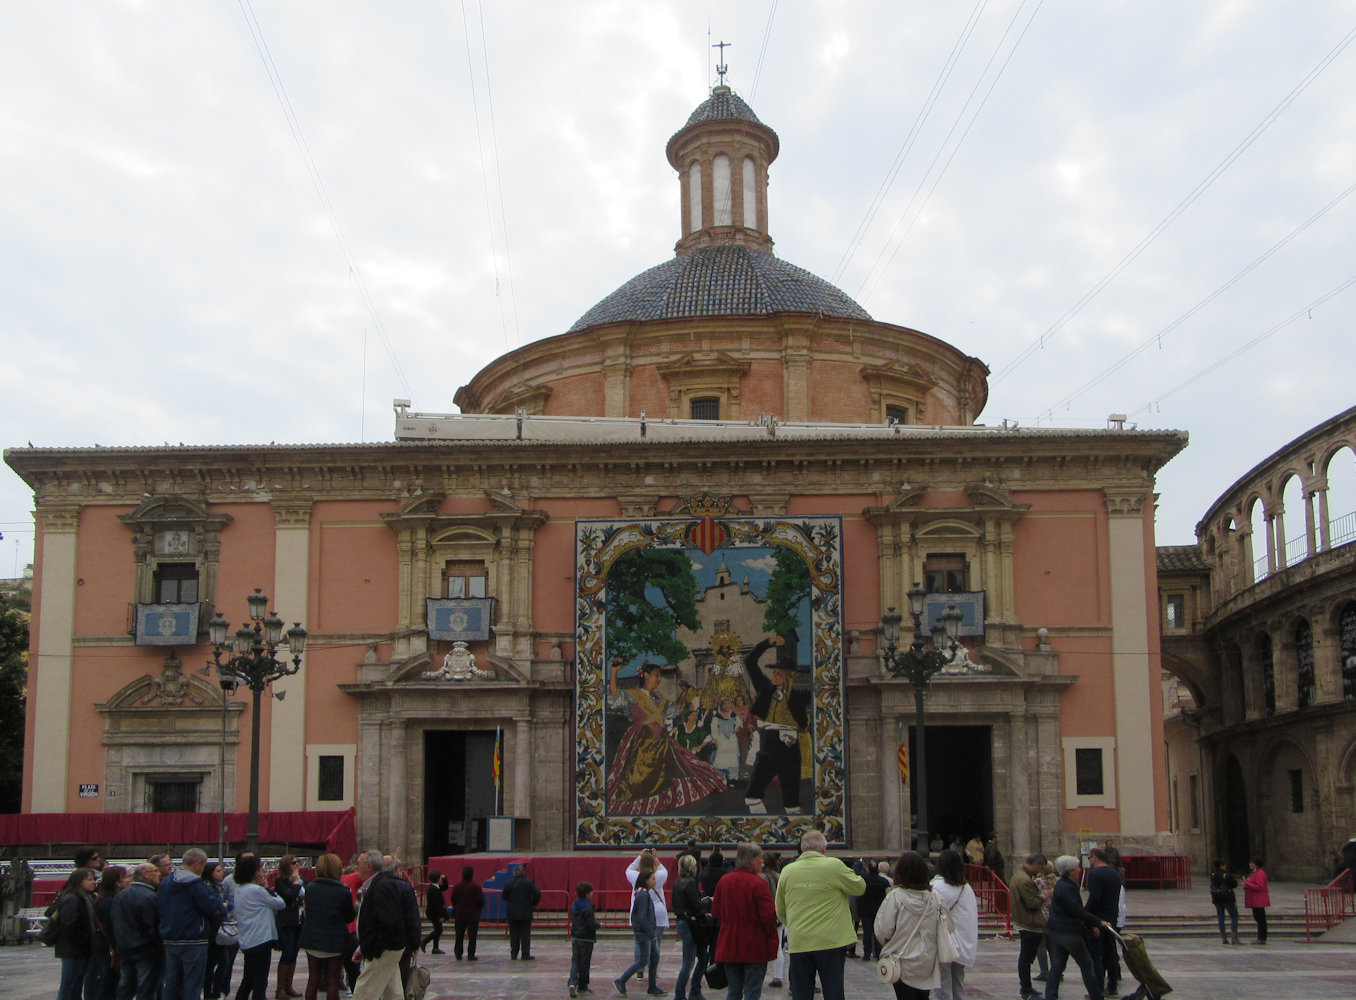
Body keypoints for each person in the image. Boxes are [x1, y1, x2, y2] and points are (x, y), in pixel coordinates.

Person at [606, 658, 726, 814]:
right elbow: (614, 698)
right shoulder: (633, 695)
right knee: (637, 780)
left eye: (660, 676)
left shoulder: (659, 698)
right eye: (657, 675)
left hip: (661, 742)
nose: (659, 679)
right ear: (646, 676)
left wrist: (684, 692)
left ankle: (655, 807)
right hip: (641, 742)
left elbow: (675, 709)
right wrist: (614, 672)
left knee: (670, 774)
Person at [774, 829, 864, 1000]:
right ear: (823, 849)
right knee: (833, 991)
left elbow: (780, 908)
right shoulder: (833, 866)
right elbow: (859, 887)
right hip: (831, 940)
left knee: (801, 993)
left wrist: (794, 925)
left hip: (800, 940)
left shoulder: (788, 871)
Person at [742, 635, 811, 814]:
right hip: (769, 746)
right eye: (774, 672)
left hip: (791, 748)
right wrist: (768, 642)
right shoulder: (765, 689)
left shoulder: (799, 697)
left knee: (792, 803)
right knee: (752, 795)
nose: (774, 675)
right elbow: (749, 661)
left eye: (779, 673)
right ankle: (760, 826)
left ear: (790, 676)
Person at [710, 843, 777, 1000]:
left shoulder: (724, 881)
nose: (762, 862)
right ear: (751, 860)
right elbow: (768, 917)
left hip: (729, 945)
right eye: (760, 859)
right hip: (754, 946)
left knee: (733, 991)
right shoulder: (759, 884)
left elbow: (716, 912)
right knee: (752, 992)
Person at [874, 851, 944, 1000]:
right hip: (927, 959)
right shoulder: (935, 897)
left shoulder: (896, 897)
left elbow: (883, 929)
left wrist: (889, 944)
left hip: (902, 960)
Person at [159, 847, 226, 1000]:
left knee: (171, 984)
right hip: (194, 938)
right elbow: (212, 907)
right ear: (197, 864)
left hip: (170, 938)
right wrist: (222, 906)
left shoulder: (166, 882)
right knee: (192, 985)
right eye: (203, 866)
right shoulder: (195, 883)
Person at [352, 850, 420, 1000]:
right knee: (392, 992)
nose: (356, 867)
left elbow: (390, 922)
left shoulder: (381, 886)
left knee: (364, 992)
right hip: (388, 947)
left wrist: (373, 947)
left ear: (368, 866)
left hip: (384, 949)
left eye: (358, 864)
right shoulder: (377, 884)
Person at [1042, 855, 1110, 1000]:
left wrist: (1090, 924)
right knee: (1087, 965)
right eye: (1077, 867)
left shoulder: (1063, 885)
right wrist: (1098, 922)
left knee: (1057, 966)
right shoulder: (1066, 887)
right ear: (1070, 870)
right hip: (1068, 932)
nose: (1080, 870)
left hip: (1056, 929)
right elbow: (1077, 910)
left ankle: (1050, 996)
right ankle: (1096, 996)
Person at [298, 853, 356, 1000]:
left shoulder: (310, 888)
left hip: (312, 938)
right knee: (332, 980)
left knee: (313, 979)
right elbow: (349, 917)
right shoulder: (343, 891)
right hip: (334, 940)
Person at [229, 855, 285, 1000]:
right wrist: (266, 885)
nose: (263, 870)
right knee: (260, 981)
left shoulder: (240, 889)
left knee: (248, 979)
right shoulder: (256, 890)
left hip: (248, 939)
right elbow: (280, 903)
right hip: (261, 939)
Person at [930, 849, 978, 1000]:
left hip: (945, 942)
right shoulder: (966, 888)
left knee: (942, 984)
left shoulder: (937, 886)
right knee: (958, 983)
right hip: (962, 944)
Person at [112, 862, 163, 1000]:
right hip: (145, 950)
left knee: (126, 986)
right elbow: (153, 926)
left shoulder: (120, 896)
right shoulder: (149, 896)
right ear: (145, 874)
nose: (159, 873)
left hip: (125, 948)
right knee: (146, 987)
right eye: (156, 871)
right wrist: (159, 947)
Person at [625, 850, 671, 993]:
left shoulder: (635, 876)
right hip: (658, 914)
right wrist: (654, 858)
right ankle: (653, 970)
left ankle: (639, 971)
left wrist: (640, 855)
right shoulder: (659, 876)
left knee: (638, 944)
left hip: (640, 916)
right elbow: (664, 869)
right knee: (656, 943)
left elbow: (629, 869)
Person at [52, 867, 98, 1000]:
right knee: (69, 984)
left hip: (80, 948)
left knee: (76, 983)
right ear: (79, 881)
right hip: (72, 949)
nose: (93, 882)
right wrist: (84, 939)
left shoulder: (86, 897)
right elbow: (69, 924)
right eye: (89, 879)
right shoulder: (72, 898)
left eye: (93, 879)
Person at [615, 867, 662, 997]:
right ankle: (621, 980)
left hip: (647, 931)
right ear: (646, 881)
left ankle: (652, 986)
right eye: (653, 879)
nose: (655, 881)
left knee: (654, 957)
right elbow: (642, 917)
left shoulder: (643, 894)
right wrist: (651, 934)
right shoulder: (642, 895)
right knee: (643, 960)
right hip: (644, 933)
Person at [1009, 853, 1050, 1000]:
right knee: (1026, 959)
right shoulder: (1025, 880)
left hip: (1024, 921)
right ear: (1036, 864)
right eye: (1041, 867)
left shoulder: (1018, 876)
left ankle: (1027, 987)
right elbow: (1032, 903)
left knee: (1026, 958)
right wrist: (1044, 896)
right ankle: (1025, 989)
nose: (1040, 871)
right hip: (1029, 923)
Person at [1084, 848, 1123, 996]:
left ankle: (1098, 989)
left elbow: (1095, 898)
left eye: (1090, 858)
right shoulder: (1115, 873)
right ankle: (1112, 986)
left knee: (1096, 954)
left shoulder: (1095, 874)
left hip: (1098, 919)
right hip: (1112, 916)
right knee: (1110, 952)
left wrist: (1085, 914)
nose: (1089, 861)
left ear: (1094, 857)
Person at [671, 854, 709, 1000]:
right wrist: (707, 901)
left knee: (702, 957)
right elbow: (696, 905)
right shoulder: (691, 882)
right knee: (688, 961)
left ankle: (694, 989)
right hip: (690, 923)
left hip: (682, 921)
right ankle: (680, 994)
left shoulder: (677, 882)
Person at [90, 865, 129, 1000]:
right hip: (108, 948)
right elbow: (112, 928)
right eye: (126, 877)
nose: (129, 880)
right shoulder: (108, 903)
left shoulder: (111, 900)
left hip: (108, 947)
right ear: (117, 882)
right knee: (109, 983)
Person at [273, 855, 305, 998]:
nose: (297, 864)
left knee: (294, 952)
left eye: (298, 862)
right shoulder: (281, 881)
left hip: (299, 919)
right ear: (287, 866)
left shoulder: (301, 880)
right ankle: (280, 988)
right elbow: (290, 896)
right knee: (287, 951)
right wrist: (296, 883)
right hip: (287, 920)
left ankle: (289, 985)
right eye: (294, 862)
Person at [501, 863, 543, 961]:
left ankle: (514, 953)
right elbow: (537, 894)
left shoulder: (508, 884)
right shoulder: (528, 883)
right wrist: (533, 903)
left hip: (512, 912)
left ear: (514, 873)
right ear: (523, 873)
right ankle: (525, 954)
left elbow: (504, 896)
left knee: (514, 934)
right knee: (525, 934)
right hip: (525, 912)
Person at [201, 862, 230, 1000]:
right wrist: (224, 906)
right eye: (218, 871)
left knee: (212, 964)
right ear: (210, 872)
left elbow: (226, 903)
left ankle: (211, 993)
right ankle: (214, 992)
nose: (222, 872)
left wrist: (226, 905)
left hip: (217, 929)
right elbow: (215, 908)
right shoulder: (207, 888)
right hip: (212, 931)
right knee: (222, 962)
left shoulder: (219, 887)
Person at [569, 881, 600, 998]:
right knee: (585, 962)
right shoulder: (587, 907)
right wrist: (599, 924)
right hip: (586, 938)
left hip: (575, 936)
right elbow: (590, 924)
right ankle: (583, 986)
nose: (592, 894)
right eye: (591, 892)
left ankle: (572, 983)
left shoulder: (574, 905)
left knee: (575, 960)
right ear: (587, 893)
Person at [449, 865, 484, 961]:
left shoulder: (457, 887)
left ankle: (458, 953)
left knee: (459, 935)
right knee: (472, 936)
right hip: (473, 915)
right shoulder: (476, 887)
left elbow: (453, 899)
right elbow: (481, 901)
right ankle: (471, 954)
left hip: (460, 915)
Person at [858, 860, 889, 962]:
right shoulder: (883, 881)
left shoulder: (863, 879)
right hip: (878, 910)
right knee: (877, 932)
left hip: (866, 910)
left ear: (868, 869)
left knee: (867, 932)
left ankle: (867, 953)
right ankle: (878, 952)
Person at [1209, 860, 1240, 945]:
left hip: (1217, 898)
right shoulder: (1227, 875)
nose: (1226, 866)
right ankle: (1234, 937)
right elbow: (1234, 884)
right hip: (1228, 898)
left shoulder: (1213, 875)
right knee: (1234, 916)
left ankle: (1223, 937)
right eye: (1224, 865)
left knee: (1220, 917)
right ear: (1221, 865)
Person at [1243, 857, 1269, 945]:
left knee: (1261, 919)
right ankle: (1260, 937)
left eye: (1251, 863)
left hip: (1259, 900)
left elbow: (1259, 886)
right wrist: (1246, 884)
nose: (1249, 864)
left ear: (1255, 864)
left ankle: (1262, 938)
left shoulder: (1260, 873)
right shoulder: (1254, 873)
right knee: (1258, 918)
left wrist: (1247, 883)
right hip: (1254, 899)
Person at [419, 872, 446, 954]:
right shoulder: (434, 889)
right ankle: (424, 942)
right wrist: (440, 915)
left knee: (438, 929)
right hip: (433, 913)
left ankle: (435, 948)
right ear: (438, 879)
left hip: (434, 912)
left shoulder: (436, 887)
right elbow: (437, 904)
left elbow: (445, 887)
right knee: (438, 929)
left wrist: (445, 879)